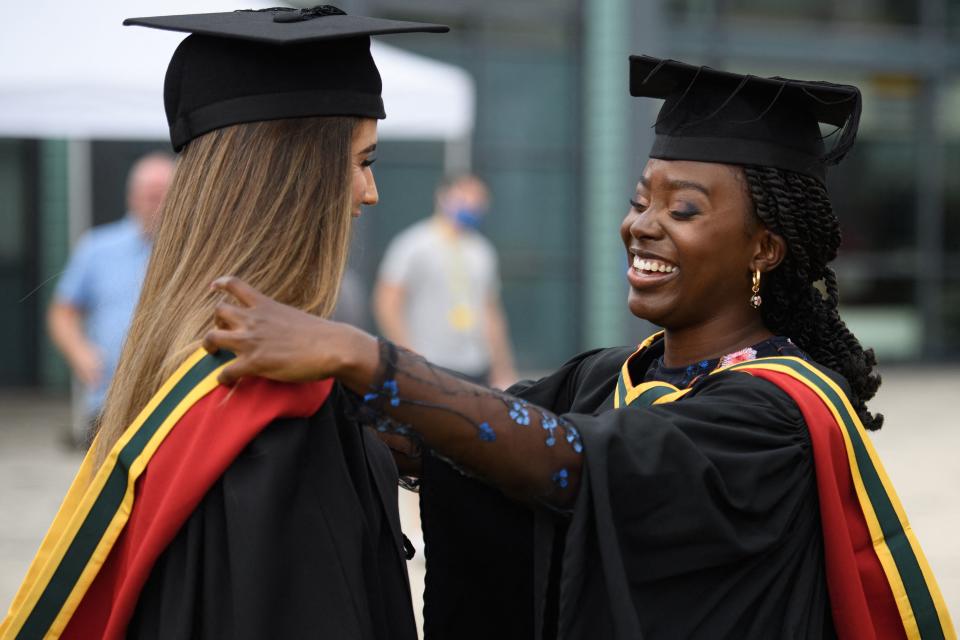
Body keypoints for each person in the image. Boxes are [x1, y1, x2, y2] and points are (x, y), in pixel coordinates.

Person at [196, 56, 954, 639]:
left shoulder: (774, 415)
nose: (642, 224)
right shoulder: (611, 375)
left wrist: (364, 358)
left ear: (763, 247)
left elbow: (568, 462)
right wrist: (300, 405)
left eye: (682, 208)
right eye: (639, 200)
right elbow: (464, 447)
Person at [1, 8, 447, 640]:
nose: (369, 192)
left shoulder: (175, 374)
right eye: (361, 159)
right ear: (295, 179)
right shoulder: (277, 413)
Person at [48, 152, 174, 445]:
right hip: (108, 400)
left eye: (161, 195)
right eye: (149, 195)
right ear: (132, 196)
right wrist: (79, 352)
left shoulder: (196, 250)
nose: (154, 204)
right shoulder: (97, 247)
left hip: (172, 398)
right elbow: (62, 312)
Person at [374, 173, 517, 388]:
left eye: (478, 199)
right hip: (431, 363)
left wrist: (503, 368)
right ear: (443, 197)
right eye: (465, 197)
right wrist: (408, 357)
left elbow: (490, 311)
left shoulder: (482, 250)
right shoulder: (413, 244)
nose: (472, 205)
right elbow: (386, 303)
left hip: (476, 366)